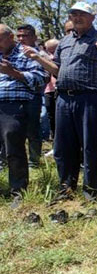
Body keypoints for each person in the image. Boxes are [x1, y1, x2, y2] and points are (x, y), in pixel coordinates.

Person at [25, 2, 97, 203]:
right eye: (74, 14)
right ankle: (66, 187)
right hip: (64, 99)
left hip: (90, 98)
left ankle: (92, 191)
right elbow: (57, 70)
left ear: (92, 18)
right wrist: (38, 58)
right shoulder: (65, 41)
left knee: (90, 145)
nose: (77, 18)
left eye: (82, 14)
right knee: (63, 146)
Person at [0, 24, 48, 208]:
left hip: (14, 104)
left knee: (13, 147)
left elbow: (40, 78)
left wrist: (13, 73)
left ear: (10, 37)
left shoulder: (27, 53)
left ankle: (18, 191)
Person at [15, 24, 45, 168]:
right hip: (14, 98)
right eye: (19, 36)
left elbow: (42, 78)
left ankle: (34, 161)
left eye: (25, 35)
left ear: (34, 37)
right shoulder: (12, 53)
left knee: (33, 130)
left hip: (33, 97)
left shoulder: (40, 54)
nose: (21, 39)